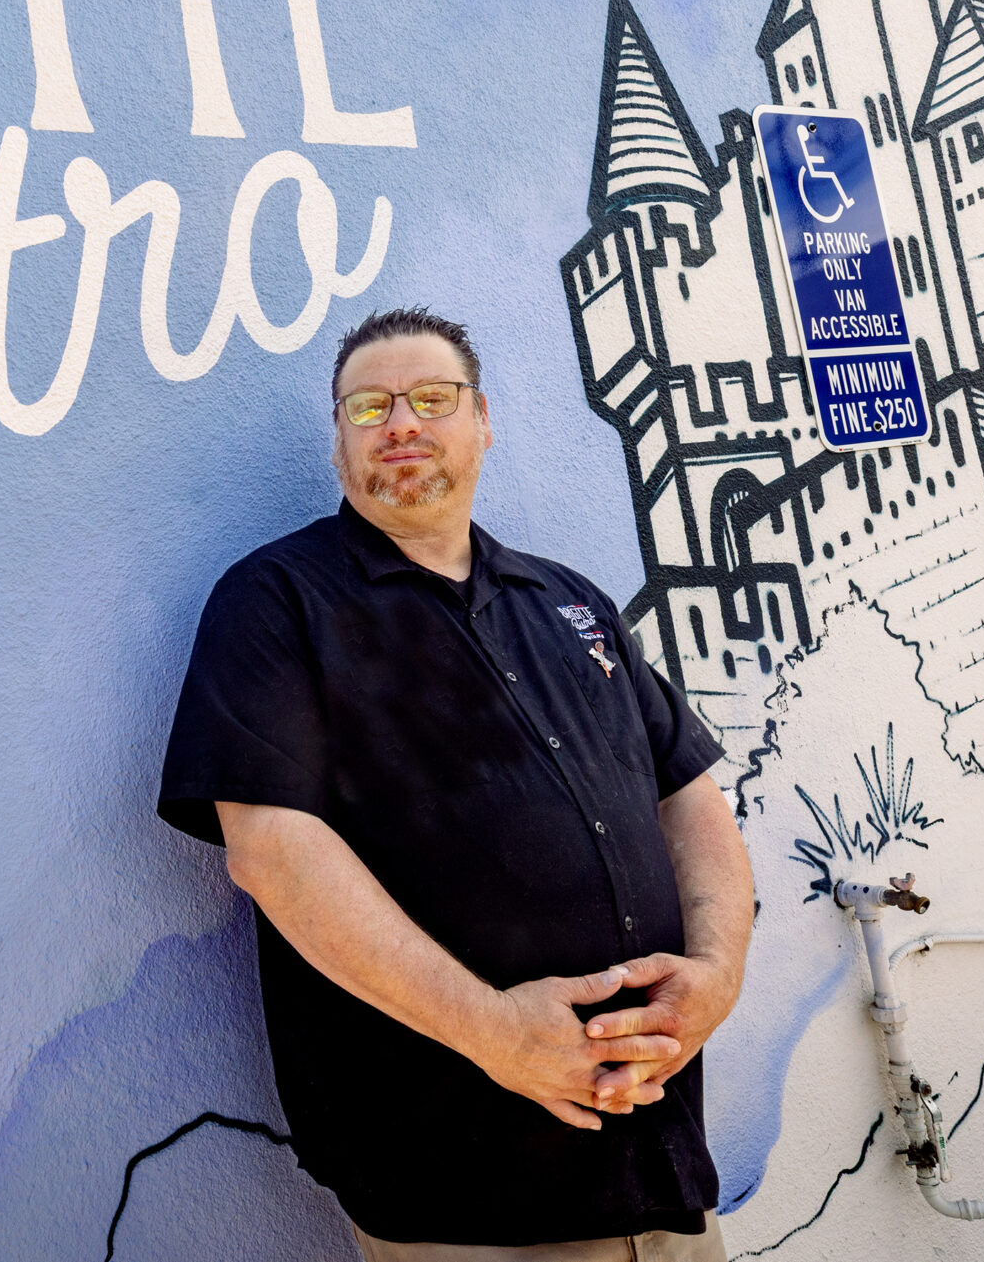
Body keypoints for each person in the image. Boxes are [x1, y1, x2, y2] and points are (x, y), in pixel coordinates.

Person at [157, 307, 756, 1261]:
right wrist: (498, 1033)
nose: (400, 422)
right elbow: (272, 854)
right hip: (463, 1195)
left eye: (431, 399)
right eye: (368, 406)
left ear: (483, 421)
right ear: (339, 438)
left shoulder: (568, 602)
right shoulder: (276, 604)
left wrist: (718, 976)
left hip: (658, 1162)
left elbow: (686, 793)